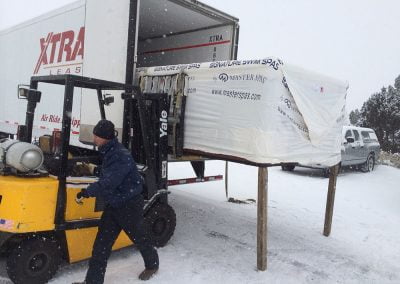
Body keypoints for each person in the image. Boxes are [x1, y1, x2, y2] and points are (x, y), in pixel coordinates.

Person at [73, 119, 159, 284]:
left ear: (105, 137)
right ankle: (93, 281)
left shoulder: (119, 154)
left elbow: (109, 182)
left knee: (140, 238)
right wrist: (93, 169)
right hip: (114, 204)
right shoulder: (109, 152)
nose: (94, 139)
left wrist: (86, 192)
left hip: (129, 205)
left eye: (97, 136)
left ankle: (152, 265)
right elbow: (110, 174)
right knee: (101, 246)